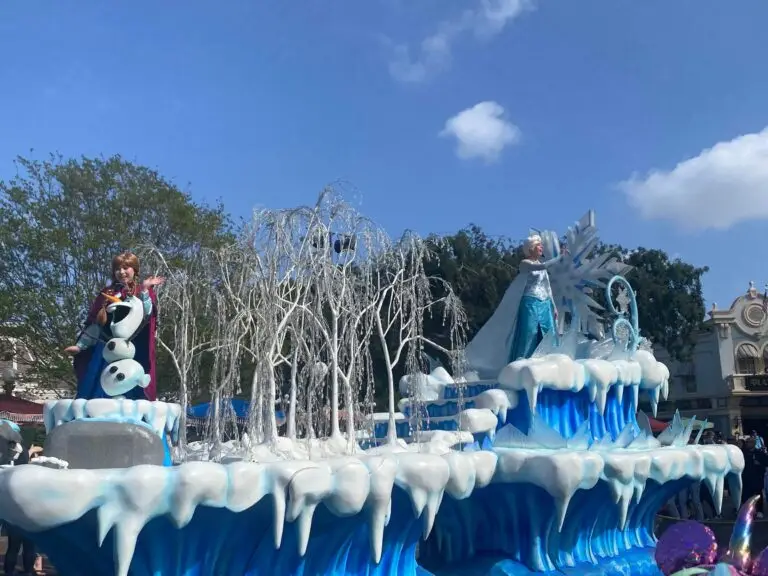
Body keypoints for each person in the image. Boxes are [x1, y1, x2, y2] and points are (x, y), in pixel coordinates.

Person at [65, 251, 164, 401]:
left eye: (126, 268)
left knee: (131, 380)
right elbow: (95, 323)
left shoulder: (142, 291)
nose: (122, 272)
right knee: (97, 380)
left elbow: (148, 316)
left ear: (135, 270)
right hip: (106, 347)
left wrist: (144, 290)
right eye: (118, 269)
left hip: (133, 347)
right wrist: (81, 346)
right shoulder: (106, 293)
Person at [508, 234, 564, 361]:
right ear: (530, 248)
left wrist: (554, 307)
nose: (541, 247)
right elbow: (541, 267)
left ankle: (548, 361)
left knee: (548, 332)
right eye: (538, 245)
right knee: (530, 332)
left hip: (545, 303)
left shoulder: (541, 264)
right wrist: (559, 257)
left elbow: (547, 288)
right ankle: (523, 362)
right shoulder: (525, 263)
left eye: (541, 245)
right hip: (530, 301)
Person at [3, 441, 36, 576]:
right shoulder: (35, 481)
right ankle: (28, 571)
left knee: (13, 547)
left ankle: (9, 572)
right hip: (31, 518)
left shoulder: (12, 481)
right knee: (30, 547)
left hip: (14, 519)